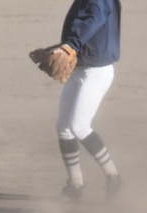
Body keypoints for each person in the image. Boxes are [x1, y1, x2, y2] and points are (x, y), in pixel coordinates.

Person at [31, 0, 123, 202]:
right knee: (63, 127)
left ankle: (113, 176)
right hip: (79, 70)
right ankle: (75, 185)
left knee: (79, 126)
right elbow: (85, 31)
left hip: (96, 72)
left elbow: (93, 20)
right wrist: (53, 50)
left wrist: (70, 46)